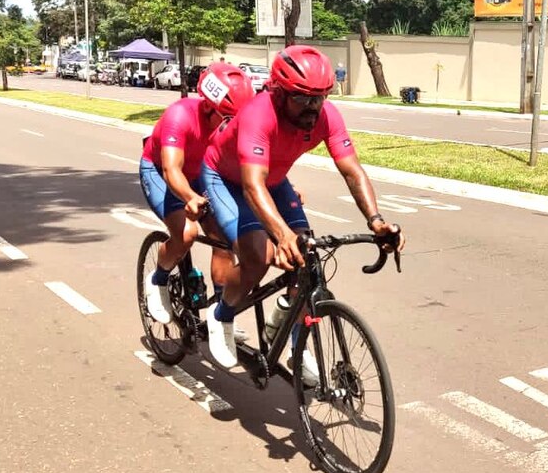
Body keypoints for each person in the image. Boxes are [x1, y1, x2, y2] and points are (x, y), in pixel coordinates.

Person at [200, 45, 405, 375]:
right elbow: (252, 185)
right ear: (279, 91)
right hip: (227, 178)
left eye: (320, 96)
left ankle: (298, 347)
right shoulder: (259, 113)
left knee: (306, 257)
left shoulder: (326, 115)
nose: (314, 106)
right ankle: (221, 315)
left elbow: (352, 170)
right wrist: (280, 237)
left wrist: (377, 221)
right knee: (258, 255)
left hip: (273, 179)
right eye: (303, 97)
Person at [139, 62, 255, 324]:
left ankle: (220, 314)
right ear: (209, 106)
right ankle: (158, 279)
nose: (233, 127)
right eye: (227, 118)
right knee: (187, 233)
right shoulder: (180, 116)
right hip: (159, 171)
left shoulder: (231, 125)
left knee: (225, 237)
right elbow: (171, 170)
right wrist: (190, 197)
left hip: (200, 174)